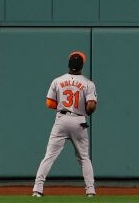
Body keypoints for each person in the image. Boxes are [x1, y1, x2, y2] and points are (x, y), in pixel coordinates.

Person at [32, 51, 98, 198]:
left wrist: (62, 106)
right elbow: (91, 106)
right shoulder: (88, 83)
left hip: (61, 120)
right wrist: (87, 108)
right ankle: (90, 191)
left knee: (49, 156)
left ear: (69, 64)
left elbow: (49, 103)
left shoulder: (57, 80)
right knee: (84, 158)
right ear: (82, 66)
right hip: (79, 121)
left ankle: (37, 190)